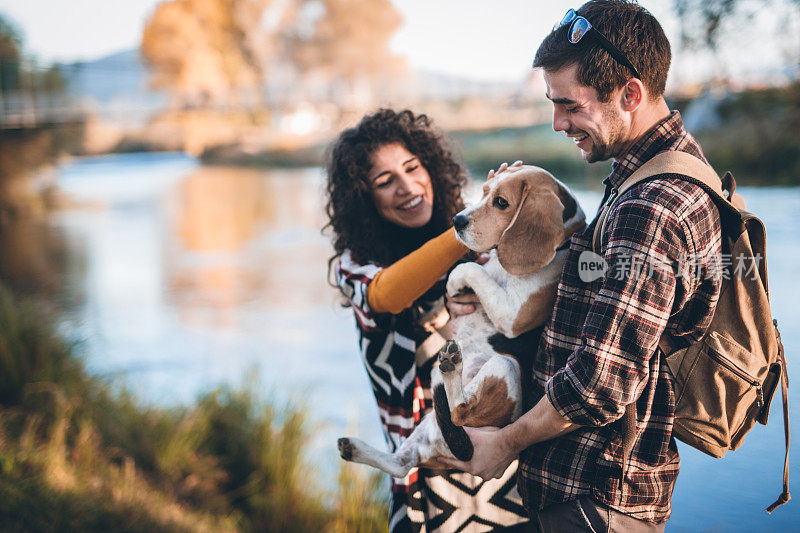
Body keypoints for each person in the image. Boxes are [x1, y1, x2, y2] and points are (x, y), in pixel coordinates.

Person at [443, 2, 723, 532]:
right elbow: (590, 293)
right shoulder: (637, 178)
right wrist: (510, 223)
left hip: (597, 502)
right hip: (586, 496)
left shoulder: (653, 206)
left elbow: (599, 384)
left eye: (569, 105)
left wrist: (504, 443)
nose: (557, 123)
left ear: (630, 95)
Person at [325, 108, 532, 532]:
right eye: (385, 182)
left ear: (431, 167)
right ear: (365, 199)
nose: (407, 187)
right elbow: (386, 294)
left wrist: (510, 205)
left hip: (504, 469)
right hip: (427, 481)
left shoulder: (480, 250)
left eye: (412, 168)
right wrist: (471, 227)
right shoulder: (357, 267)